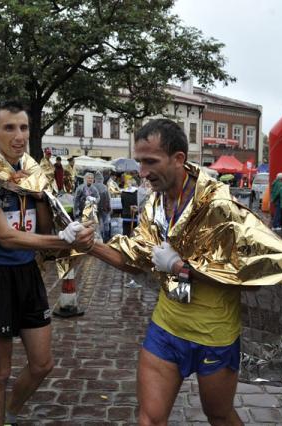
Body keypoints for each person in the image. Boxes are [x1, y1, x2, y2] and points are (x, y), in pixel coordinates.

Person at [86, 119, 244, 425]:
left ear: (178, 159)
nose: (142, 172)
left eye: (150, 162)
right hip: (166, 327)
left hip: (214, 334)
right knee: (150, 419)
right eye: (139, 161)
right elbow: (136, 261)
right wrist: (90, 245)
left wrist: (179, 267)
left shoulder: (220, 205)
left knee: (219, 415)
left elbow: (245, 277)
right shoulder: (154, 203)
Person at [0, 101, 94, 425]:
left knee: (42, 364)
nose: (19, 135)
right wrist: (65, 241)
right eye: (9, 128)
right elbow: (5, 236)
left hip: (28, 273)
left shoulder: (34, 170)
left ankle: (9, 412)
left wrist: (39, 197)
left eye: (23, 127)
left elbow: (44, 229)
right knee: (1, 371)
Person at [93, 170, 112, 241]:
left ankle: (98, 237)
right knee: (105, 222)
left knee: (96, 223)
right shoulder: (104, 187)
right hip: (104, 207)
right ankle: (106, 238)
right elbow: (108, 198)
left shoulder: (92, 186)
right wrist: (109, 207)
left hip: (95, 208)